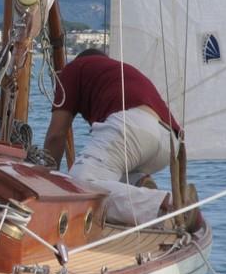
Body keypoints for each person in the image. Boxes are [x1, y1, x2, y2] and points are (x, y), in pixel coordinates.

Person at [43, 48, 186, 226]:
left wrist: (45, 183)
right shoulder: (119, 70)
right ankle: (137, 184)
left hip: (134, 127)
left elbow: (56, 135)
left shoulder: (73, 69)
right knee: (108, 178)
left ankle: (165, 204)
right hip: (169, 142)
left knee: (79, 186)